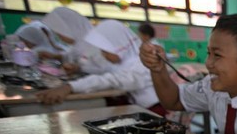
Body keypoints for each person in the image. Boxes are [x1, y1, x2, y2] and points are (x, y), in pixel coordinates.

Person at [36, 19, 166, 116]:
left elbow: (111, 79)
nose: (104, 55)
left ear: (120, 46)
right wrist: (78, 68)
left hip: (153, 111)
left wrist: (70, 86)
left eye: (106, 51)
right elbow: (102, 70)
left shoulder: (143, 62)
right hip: (140, 108)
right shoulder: (126, 60)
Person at [41, 7, 114, 76]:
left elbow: (109, 69)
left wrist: (79, 68)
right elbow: (72, 55)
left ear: (70, 29)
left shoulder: (95, 44)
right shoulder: (80, 42)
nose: (59, 38)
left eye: (60, 34)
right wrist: (55, 56)